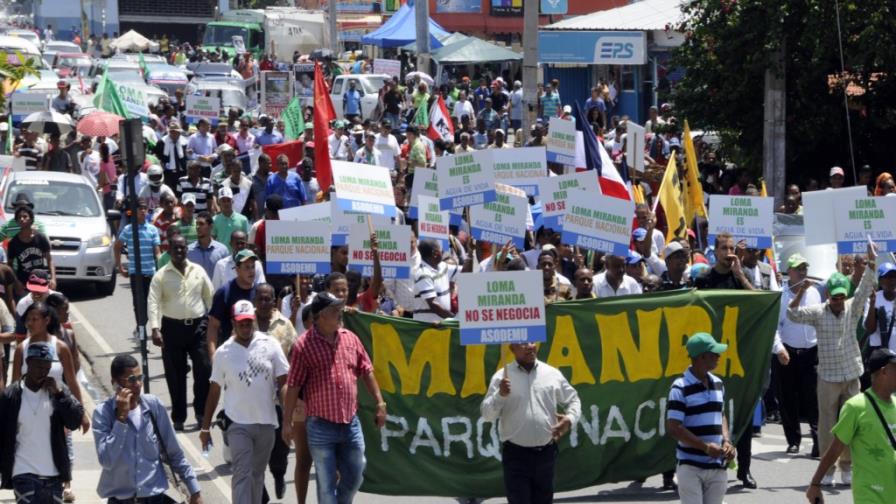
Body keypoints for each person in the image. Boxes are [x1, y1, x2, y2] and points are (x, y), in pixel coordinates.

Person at [282, 292, 387, 504]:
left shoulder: (350, 338)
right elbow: (293, 386)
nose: (339, 314)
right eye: (334, 310)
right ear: (321, 316)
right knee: (326, 482)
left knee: (357, 472)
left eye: (339, 309)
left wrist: (380, 402)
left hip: (350, 422)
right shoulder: (304, 346)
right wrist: (287, 422)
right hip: (320, 426)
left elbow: (366, 370)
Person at [787, 241, 877, 486]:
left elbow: (866, 285)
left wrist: (871, 260)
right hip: (827, 377)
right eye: (834, 297)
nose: (838, 300)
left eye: (841, 296)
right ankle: (827, 471)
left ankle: (847, 467)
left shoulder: (851, 306)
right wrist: (801, 293)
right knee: (828, 426)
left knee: (852, 424)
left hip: (850, 374)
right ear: (828, 295)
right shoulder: (817, 310)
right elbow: (792, 314)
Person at [200, 299, 289, 503]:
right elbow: (214, 392)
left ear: (254, 320)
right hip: (238, 424)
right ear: (233, 323)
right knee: (242, 474)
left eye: (249, 322)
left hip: (267, 424)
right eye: (241, 323)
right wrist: (205, 429)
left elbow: (284, 382)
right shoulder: (224, 353)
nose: (246, 326)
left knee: (257, 476)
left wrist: (288, 418)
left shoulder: (270, 345)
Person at [480, 341, 581, 504]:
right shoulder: (501, 377)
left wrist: (569, 419)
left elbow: (573, 400)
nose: (529, 346)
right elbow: (487, 415)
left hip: (546, 454)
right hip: (516, 455)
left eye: (532, 341)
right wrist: (500, 395)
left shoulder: (551, 373)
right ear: (512, 349)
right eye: (522, 343)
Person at [93, 354, 203, 503]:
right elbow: (106, 460)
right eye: (131, 379)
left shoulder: (153, 406)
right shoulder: (103, 413)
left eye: (140, 378)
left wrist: (194, 490)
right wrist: (121, 419)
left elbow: (174, 453)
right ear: (115, 384)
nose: (138, 384)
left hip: (155, 498)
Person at [805, 347, 896, 504]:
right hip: (871, 493)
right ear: (884, 372)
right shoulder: (856, 407)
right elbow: (835, 449)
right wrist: (815, 484)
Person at [0, 343, 84, 504]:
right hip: (23, 472)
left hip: (54, 474)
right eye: (39, 367)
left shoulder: (58, 392)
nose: (43, 372)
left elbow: (74, 421)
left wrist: (60, 395)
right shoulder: (12, 395)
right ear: (28, 363)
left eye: (47, 368)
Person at [148, 234, 214, 431]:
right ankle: (179, 417)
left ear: (187, 249)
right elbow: (153, 302)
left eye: (182, 247)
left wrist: (213, 324)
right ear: (169, 250)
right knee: (175, 375)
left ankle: (201, 412)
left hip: (198, 327)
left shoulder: (198, 271)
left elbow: (210, 297)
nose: (179, 251)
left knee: (204, 369)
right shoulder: (161, 275)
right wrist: (154, 328)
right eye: (175, 248)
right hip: (171, 329)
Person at [666, 332, 736, 504]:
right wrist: (705, 447)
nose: (718, 357)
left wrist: (726, 441)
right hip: (690, 467)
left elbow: (721, 414)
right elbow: (674, 428)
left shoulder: (718, 383)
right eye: (714, 354)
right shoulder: (679, 387)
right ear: (701, 357)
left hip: (717, 466)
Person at [253, 284, 298, 501]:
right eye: (260, 299)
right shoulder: (245, 323)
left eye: (267, 299)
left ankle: (279, 476)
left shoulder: (285, 325)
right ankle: (261, 495)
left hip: (279, 399)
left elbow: (295, 355)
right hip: (251, 401)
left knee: (279, 451)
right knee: (254, 453)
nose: (263, 303)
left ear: (273, 302)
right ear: (255, 301)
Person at [775, 254, 821, 457]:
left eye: (804, 268)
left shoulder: (815, 293)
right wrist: (779, 349)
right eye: (798, 268)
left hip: (810, 351)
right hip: (788, 350)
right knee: (787, 397)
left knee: (813, 397)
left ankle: (818, 439)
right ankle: (793, 439)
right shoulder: (781, 295)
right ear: (789, 272)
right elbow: (774, 327)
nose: (802, 272)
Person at [114, 199, 161, 330]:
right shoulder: (128, 229)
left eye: (144, 208)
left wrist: (161, 267)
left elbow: (157, 252)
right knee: (138, 304)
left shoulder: (152, 230)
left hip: (150, 273)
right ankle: (141, 330)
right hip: (135, 273)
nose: (142, 211)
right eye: (139, 208)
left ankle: (145, 326)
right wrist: (120, 266)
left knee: (151, 303)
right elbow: (117, 246)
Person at [206, 249, 259, 359]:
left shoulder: (260, 293)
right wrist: (213, 357)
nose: (251, 271)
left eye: (253, 266)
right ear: (237, 270)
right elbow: (213, 327)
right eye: (247, 267)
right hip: (230, 354)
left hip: (256, 354)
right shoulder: (224, 293)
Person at [7, 204, 55, 288]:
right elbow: (9, 265)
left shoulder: (41, 238)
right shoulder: (13, 242)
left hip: (40, 281)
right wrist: (16, 282)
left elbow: (49, 260)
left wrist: (53, 279)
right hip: (23, 283)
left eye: (25, 216)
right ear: (17, 221)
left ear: (31, 219)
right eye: (19, 217)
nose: (22, 219)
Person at [186, 212, 229, 279]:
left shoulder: (222, 250)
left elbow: (226, 274)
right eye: (196, 224)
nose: (197, 227)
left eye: (201, 224)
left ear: (211, 226)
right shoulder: (188, 251)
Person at [211, 187, 249, 253]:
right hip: (221, 257)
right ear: (218, 202)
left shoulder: (243, 219)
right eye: (223, 200)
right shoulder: (214, 220)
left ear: (232, 201)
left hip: (239, 256)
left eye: (228, 200)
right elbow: (212, 239)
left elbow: (246, 240)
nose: (226, 203)